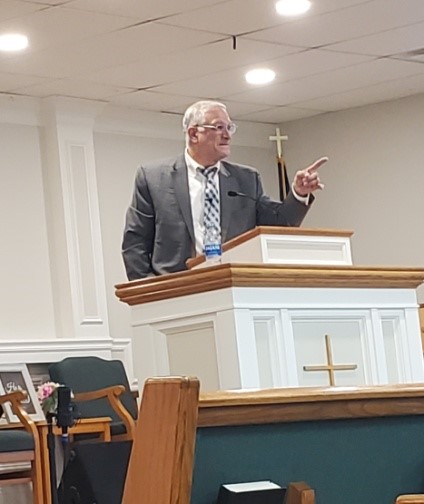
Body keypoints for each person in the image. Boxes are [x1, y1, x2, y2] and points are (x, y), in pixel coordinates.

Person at [122, 100, 327, 280]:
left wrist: (299, 193)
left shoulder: (246, 179)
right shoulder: (153, 178)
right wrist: (147, 289)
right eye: (219, 127)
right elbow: (135, 242)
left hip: (234, 284)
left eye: (230, 127)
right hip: (176, 288)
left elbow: (280, 224)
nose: (227, 135)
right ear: (194, 133)